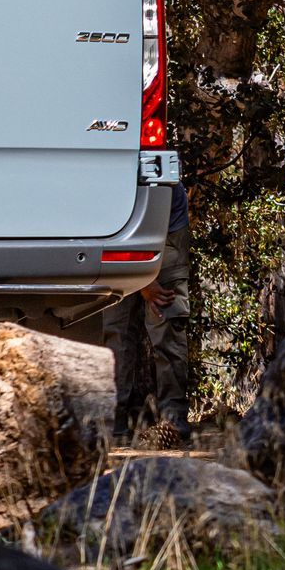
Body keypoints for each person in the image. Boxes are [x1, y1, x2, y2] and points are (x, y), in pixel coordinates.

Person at [111, 179, 191, 445]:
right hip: (111, 235)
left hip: (166, 230)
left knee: (165, 321)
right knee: (114, 331)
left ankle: (174, 422)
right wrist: (143, 283)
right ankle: (114, 427)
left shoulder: (163, 185)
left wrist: (148, 281)